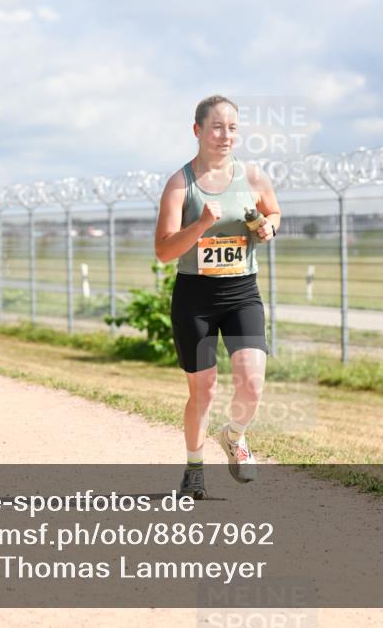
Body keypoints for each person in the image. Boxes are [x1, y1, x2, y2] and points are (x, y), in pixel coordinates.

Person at [154, 95, 281, 499]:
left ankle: (235, 436)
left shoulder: (254, 176)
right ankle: (194, 467)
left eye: (232, 128)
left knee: (252, 381)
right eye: (216, 127)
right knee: (203, 389)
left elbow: (274, 213)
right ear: (197, 131)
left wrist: (268, 229)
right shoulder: (180, 184)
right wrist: (202, 224)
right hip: (196, 296)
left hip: (242, 291)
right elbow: (164, 251)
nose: (225, 135)